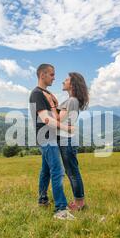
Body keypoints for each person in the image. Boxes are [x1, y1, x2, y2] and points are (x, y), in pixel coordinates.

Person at [29, 64, 76, 220]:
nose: (54, 77)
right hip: (46, 137)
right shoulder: (36, 94)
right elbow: (46, 119)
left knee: (47, 171)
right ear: (42, 75)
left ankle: (43, 200)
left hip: (51, 136)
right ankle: (60, 210)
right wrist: (66, 128)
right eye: (51, 74)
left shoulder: (47, 93)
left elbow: (55, 115)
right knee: (57, 171)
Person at [45, 73, 89, 211]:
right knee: (72, 171)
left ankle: (79, 204)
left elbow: (58, 119)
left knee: (72, 172)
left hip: (66, 141)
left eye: (67, 79)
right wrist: (56, 104)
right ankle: (79, 202)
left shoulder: (72, 101)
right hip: (65, 140)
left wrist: (51, 104)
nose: (63, 81)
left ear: (73, 84)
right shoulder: (71, 100)